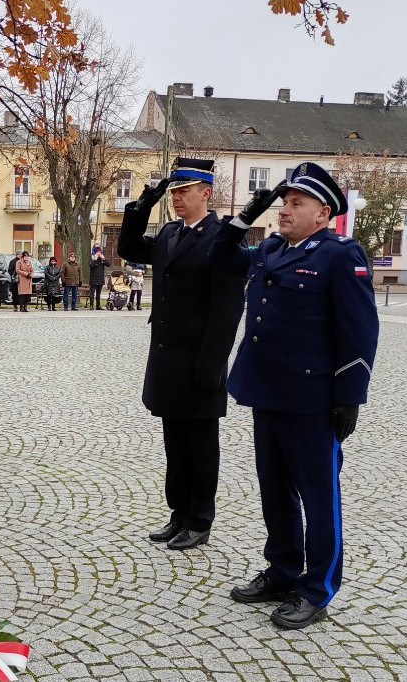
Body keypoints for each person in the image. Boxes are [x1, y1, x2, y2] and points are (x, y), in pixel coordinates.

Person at [209, 161, 379, 629]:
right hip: (268, 392)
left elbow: (361, 331)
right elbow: (220, 253)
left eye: (295, 202)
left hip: (313, 400)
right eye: (284, 201)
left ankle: (317, 588)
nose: (285, 209)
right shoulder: (269, 249)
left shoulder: (341, 256)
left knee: (319, 499)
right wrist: (250, 211)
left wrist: (350, 397)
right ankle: (283, 571)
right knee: (275, 493)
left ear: (322, 213)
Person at [118, 157, 246, 552]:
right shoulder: (171, 233)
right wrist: (139, 209)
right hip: (168, 357)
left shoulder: (221, 237)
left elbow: (228, 307)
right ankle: (178, 515)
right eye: (172, 192)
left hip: (200, 359)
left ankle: (200, 519)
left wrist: (213, 363)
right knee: (175, 442)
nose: (175, 198)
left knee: (202, 446)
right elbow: (128, 247)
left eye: (183, 191)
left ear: (205, 193)